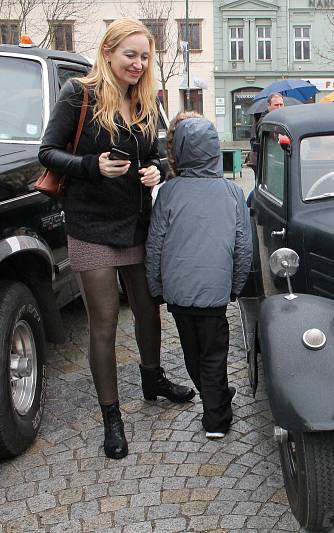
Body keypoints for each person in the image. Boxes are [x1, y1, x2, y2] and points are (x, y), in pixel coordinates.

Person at [38, 18, 195, 460]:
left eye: (144, 57)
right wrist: (92, 167)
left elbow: (157, 155)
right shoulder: (79, 95)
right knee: (105, 321)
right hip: (90, 225)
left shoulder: (145, 99)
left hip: (136, 223)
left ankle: (153, 378)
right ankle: (112, 416)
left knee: (148, 311)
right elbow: (47, 153)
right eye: (131, 55)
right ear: (108, 52)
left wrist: (156, 171)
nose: (139, 64)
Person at [146, 112, 252, 439]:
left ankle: (214, 398)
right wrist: (235, 286)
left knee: (193, 352)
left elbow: (155, 244)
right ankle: (216, 417)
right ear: (214, 150)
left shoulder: (169, 192)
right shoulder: (232, 193)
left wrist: (156, 287)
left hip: (178, 292)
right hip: (214, 290)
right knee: (214, 353)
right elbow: (243, 246)